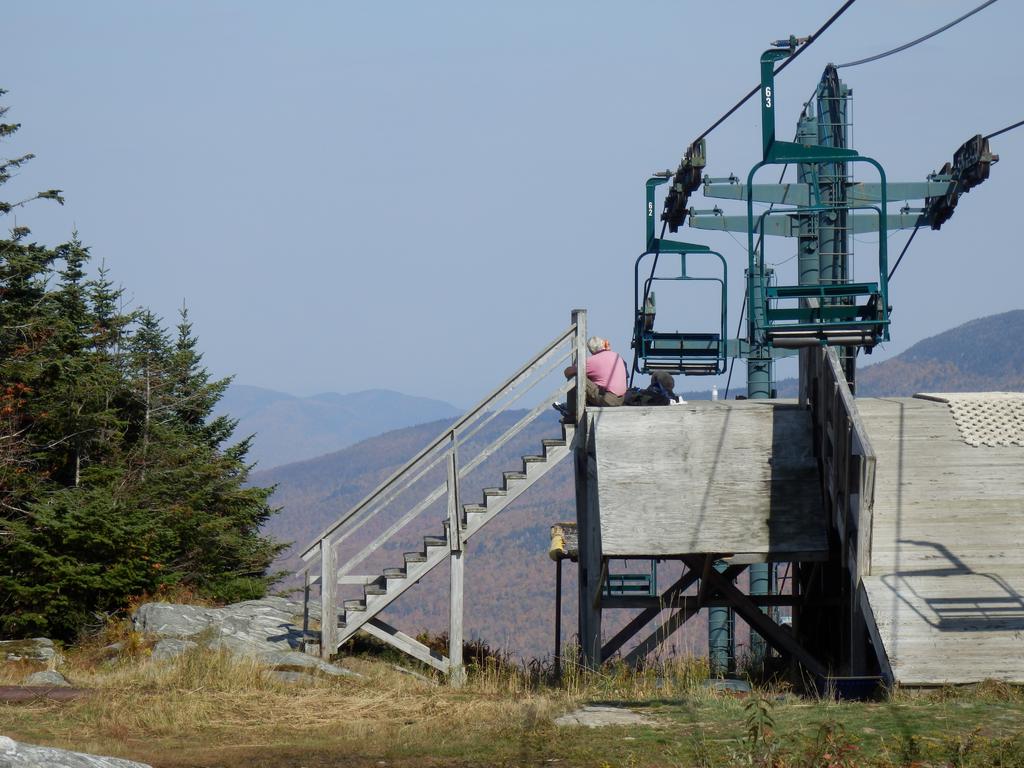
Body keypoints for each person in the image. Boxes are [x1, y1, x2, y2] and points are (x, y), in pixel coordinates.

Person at [555, 336, 627, 421]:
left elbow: (567, 372)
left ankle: (572, 412)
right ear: (603, 344)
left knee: (575, 377)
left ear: (590, 350)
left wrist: (576, 365)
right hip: (621, 399)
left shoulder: (591, 361)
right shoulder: (617, 356)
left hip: (608, 400)